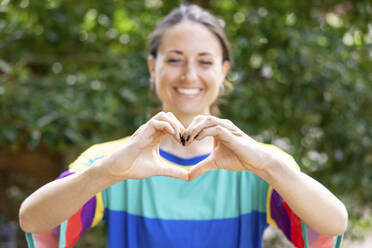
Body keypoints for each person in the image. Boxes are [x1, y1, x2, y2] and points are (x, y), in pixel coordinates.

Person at [19, 4, 348, 248]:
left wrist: (265, 163)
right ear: (152, 66)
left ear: (224, 70)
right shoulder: (113, 158)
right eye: (174, 59)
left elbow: (333, 225)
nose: (189, 75)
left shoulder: (262, 162)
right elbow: (33, 221)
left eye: (205, 61)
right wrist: (106, 173)